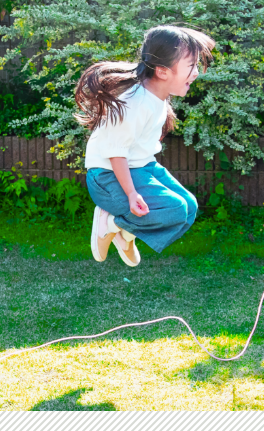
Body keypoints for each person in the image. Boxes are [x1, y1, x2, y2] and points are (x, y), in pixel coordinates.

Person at [78, 25, 214, 266]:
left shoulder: (155, 97)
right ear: (162, 71)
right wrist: (131, 194)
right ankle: (109, 223)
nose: (196, 73)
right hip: (107, 175)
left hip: (141, 167)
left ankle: (126, 235)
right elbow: (115, 154)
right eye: (191, 65)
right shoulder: (134, 102)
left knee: (188, 209)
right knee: (174, 210)